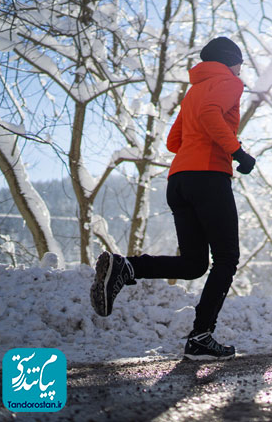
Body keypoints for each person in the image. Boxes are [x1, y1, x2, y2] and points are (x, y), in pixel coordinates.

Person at [90, 36, 256, 360]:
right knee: (226, 258)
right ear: (229, 60)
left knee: (194, 264)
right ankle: (201, 336)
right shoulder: (230, 83)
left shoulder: (194, 90)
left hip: (179, 180)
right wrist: (237, 152)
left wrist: (200, 152)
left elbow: (173, 140)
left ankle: (126, 267)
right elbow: (210, 116)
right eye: (239, 62)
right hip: (209, 177)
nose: (241, 68)